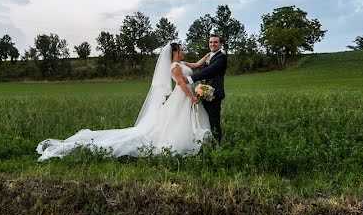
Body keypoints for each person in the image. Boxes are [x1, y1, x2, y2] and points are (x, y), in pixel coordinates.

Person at [36, 43, 212, 160]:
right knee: (176, 121)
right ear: (174, 52)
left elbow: (196, 65)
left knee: (181, 120)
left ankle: (195, 140)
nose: (183, 51)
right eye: (181, 49)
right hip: (182, 97)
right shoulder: (174, 67)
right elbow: (181, 83)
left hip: (186, 96)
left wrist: (208, 56)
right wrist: (192, 96)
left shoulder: (181, 63)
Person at [189, 34, 227, 143]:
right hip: (204, 92)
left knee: (214, 120)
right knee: (205, 119)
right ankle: (207, 140)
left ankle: (217, 144)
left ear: (220, 44)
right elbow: (202, 70)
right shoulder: (210, 56)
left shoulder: (221, 57)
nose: (213, 44)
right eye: (211, 42)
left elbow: (210, 70)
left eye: (215, 42)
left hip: (215, 93)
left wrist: (190, 79)